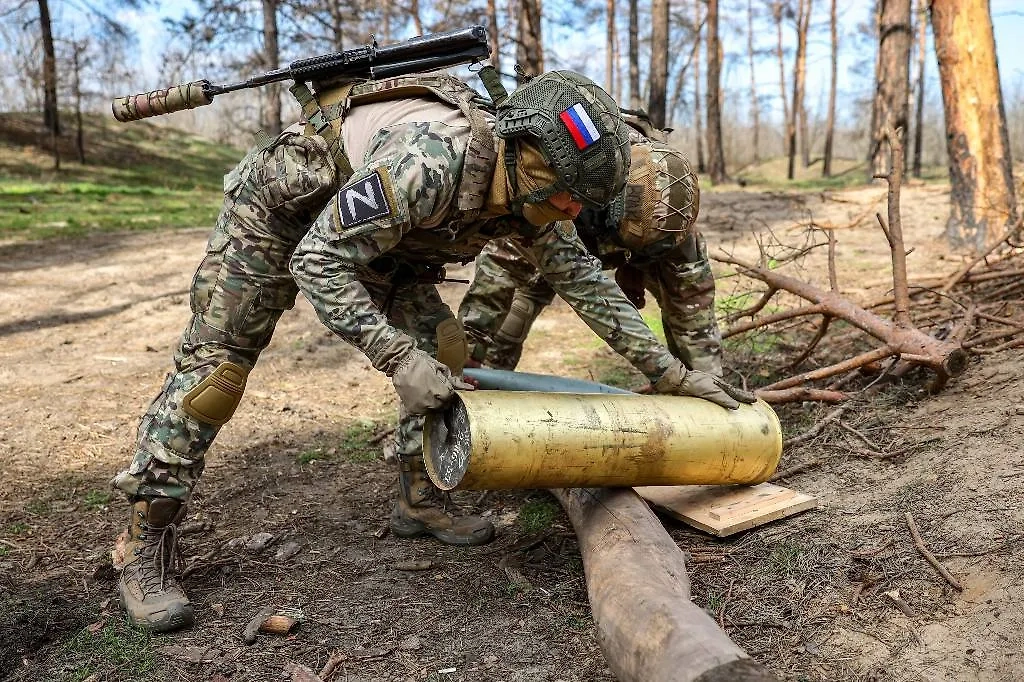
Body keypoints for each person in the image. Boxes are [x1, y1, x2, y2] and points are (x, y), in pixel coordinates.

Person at [111, 65, 754, 633]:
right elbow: (318, 258)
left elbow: (585, 282)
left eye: (579, 198)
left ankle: (419, 498)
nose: (568, 206)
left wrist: (671, 374)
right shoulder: (430, 164)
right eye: (562, 189)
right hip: (282, 217)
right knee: (216, 376)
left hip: (390, 245)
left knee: (446, 352)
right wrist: (396, 359)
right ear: (523, 150)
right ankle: (145, 541)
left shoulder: (537, 194)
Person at [458, 127, 724, 377]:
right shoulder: (562, 180)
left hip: (642, 244)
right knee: (510, 324)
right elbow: (501, 267)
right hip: (558, 236)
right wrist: (471, 348)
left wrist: (704, 382)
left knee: (698, 372)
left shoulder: (673, 226)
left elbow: (694, 319)